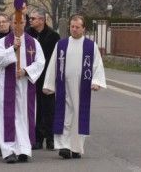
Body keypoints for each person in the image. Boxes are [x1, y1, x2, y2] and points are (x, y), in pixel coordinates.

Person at [42, 15, 106, 159]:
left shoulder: (91, 46)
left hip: (81, 87)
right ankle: (64, 146)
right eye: (72, 26)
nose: (74, 29)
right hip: (63, 86)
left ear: (84, 28)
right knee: (64, 115)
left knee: (78, 116)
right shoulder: (61, 45)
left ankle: (76, 147)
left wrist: (96, 81)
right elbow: (53, 64)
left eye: (77, 27)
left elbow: (97, 65)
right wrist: (49, 84)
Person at [0, 16, 45, 163]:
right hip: (7, 86)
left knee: (24, 116)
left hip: (25, 85)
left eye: (21, 22)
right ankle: (9, 150)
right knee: (8, 116)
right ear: (11, 23)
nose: (18, 25)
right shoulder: (1, 43)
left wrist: (26, 71)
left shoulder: (33, 43)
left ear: (25, 23)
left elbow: (40, 62)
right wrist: (13, 48)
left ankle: (23, 149)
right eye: (15, 22)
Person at [27, 8, 60, 150]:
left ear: (42, 20)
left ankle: (51, 138)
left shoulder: (53, 36)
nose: (30, 21)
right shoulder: (28, 34)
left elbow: (56, 58)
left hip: (48, 76)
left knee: (49, 109)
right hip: (32, 77)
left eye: (33, 18)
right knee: (36, 109)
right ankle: (38, 138)